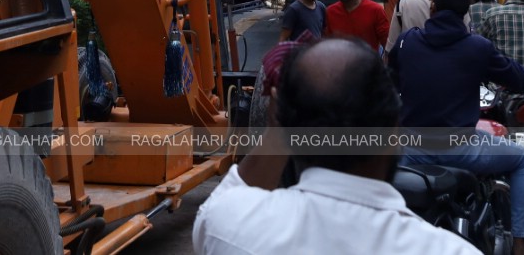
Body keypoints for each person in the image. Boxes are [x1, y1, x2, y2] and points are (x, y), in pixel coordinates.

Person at [194, 38, 481, 255]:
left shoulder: (228, 225)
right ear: (394, 129)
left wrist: (279, 131)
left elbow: (231, 195)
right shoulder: (450, 250)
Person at [390, 0, 524, 255]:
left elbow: (388, 84)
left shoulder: (407, 42)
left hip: (412, 150)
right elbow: (515, 75)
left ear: (433, 5)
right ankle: (521, 246)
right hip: (461, 149)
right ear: (465, 11)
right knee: (522, 160)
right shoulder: (477, 47)